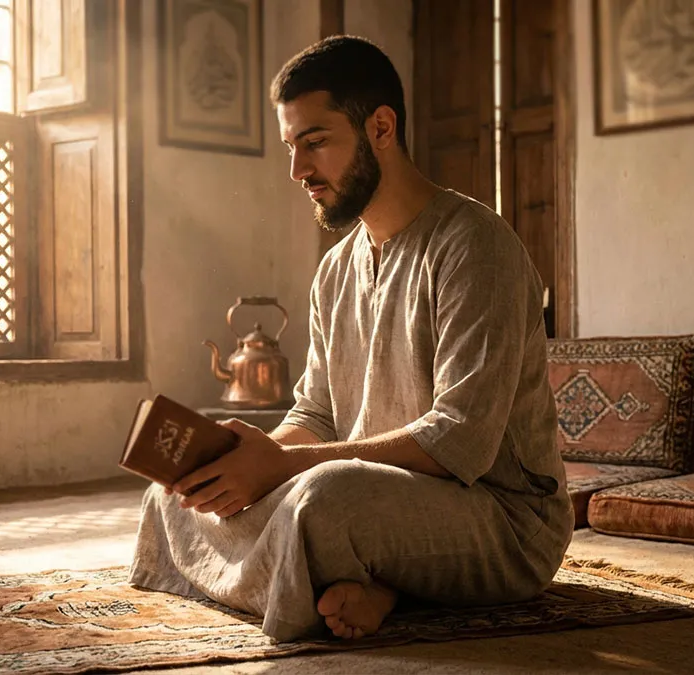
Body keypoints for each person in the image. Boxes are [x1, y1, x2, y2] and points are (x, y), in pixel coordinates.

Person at [129, 35, 572, 642]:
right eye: (291, 147)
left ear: (381, 128)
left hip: (502, 521)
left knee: (320, 501)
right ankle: (371, 583)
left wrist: (281, 466)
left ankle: (342, 577)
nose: (298, 171)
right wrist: (247, 461)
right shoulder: (336, 269)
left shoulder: (476, 246)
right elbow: (316, 415)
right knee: (172, 499)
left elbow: (459, 440)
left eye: (315, 143)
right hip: (381, 495)